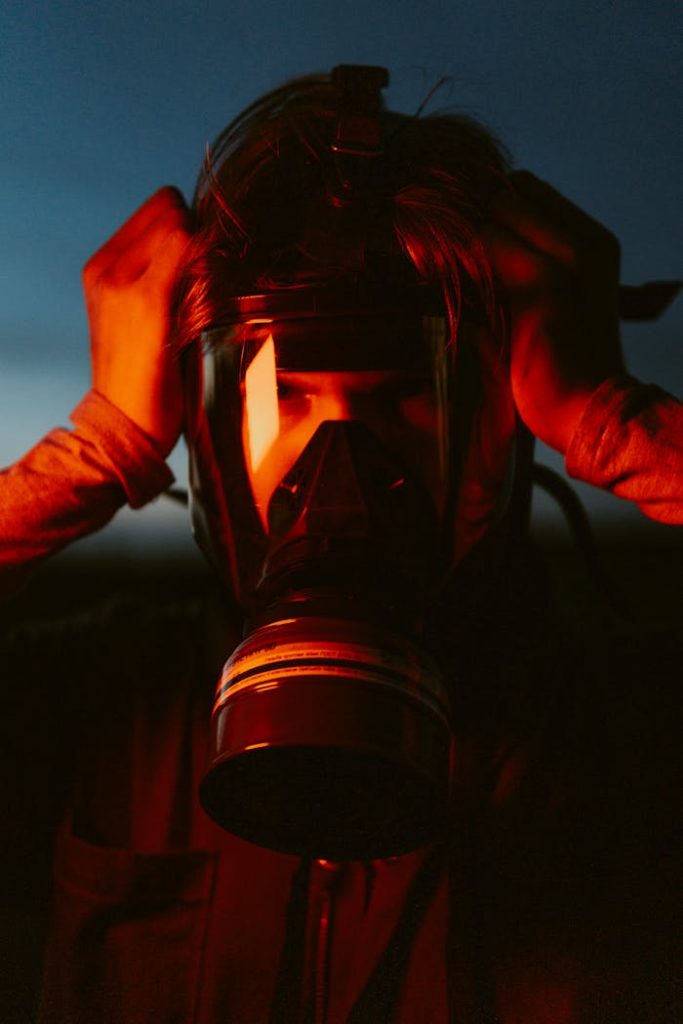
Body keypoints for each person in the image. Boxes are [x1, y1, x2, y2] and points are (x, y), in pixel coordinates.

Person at [1, 68, 681, 1023]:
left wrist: (620, 425)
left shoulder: (635, 734)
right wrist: (92, 453)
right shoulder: (105, 705)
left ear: (509, 418)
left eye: (404, 391)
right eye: (287, 394)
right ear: (203, 425)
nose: (341, 466)